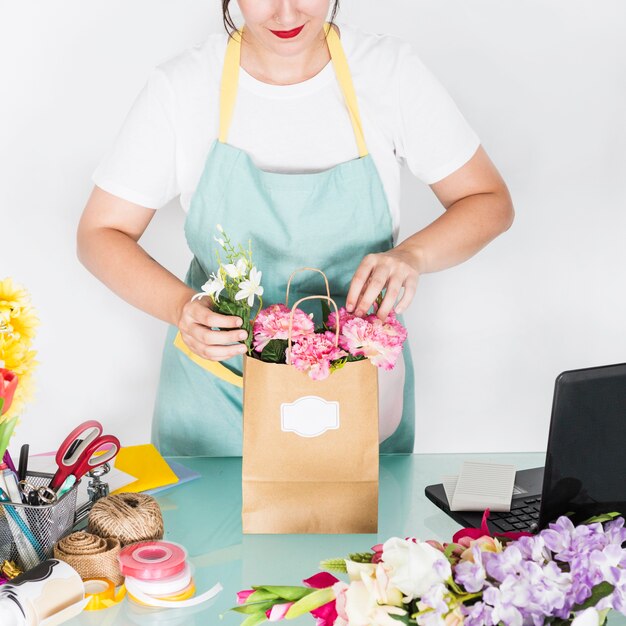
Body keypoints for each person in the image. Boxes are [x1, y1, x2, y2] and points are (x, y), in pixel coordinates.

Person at [77, 0, 514, 456]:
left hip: (357, 378)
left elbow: (488, 200)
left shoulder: (390, 73)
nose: (285, 14)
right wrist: (181, 308)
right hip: (218, 385)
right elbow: (100, 232)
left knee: (363, 525)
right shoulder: (182, 86)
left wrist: (413, 256)